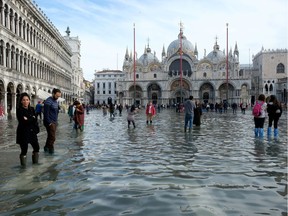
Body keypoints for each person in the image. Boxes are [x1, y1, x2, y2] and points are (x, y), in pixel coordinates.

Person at [16, 92, 40, 166]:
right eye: (23, 100)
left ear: (29, 100)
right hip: (23, 132)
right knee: (24, 150)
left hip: (32, 131)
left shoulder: (32, 109)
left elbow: (35, 119)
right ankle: (23, 167)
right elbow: (23, 121)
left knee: (36, 147)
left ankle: (35, 164)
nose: (25, 101)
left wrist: (29, 119)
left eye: (27, 100)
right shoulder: (19, 110)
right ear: (21, 101)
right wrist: (31, 118)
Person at [43, 88, 61, 154]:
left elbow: (56, 111)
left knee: (50, 136)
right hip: (50, 121)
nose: (57, 98)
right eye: (57, 96)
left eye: (59, 96)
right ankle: (51, 150)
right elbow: (46, 113)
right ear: (53, 94)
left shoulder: (55, 101)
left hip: (54, 121)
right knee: (53, 137)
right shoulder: (48, 101)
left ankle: (46, 147)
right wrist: (49, 122)